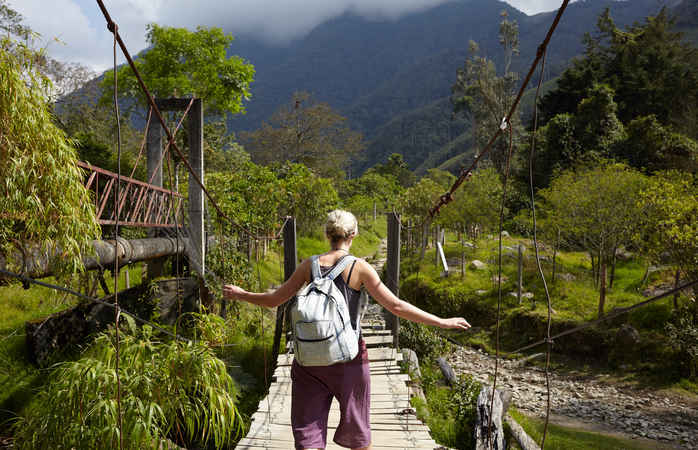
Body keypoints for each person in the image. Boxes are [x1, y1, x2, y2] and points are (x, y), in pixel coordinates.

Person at [223, 209, 471, 450]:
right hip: (349, 360)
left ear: (326, 235)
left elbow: (275, 299)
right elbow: (395, 305)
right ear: (353, 234)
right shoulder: (359, 268)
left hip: (308, 361)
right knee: (358, 433)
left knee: (307, 435)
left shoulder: (308, 266)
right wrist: (442, 322)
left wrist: (242, 294)